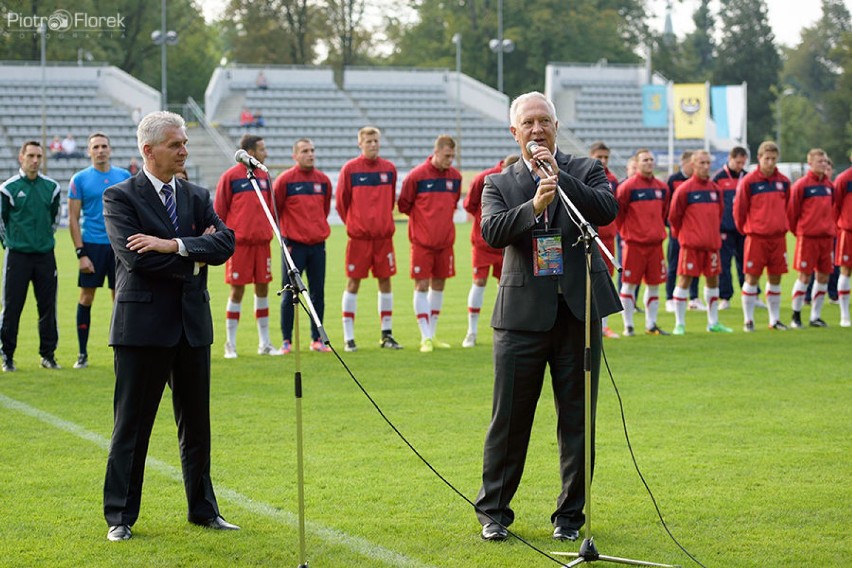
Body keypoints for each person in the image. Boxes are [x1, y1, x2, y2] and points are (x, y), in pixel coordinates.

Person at [475, 91, 621, 543]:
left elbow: (606, 209)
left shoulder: (585, 170)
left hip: (579, 313)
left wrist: (560, 180)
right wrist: (534, 205)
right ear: (514, 131)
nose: (537, 130)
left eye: (545, 121)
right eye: (528, 123)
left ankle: (570, 517)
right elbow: (492, 232)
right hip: (520, 320)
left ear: (556, 127)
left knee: (578, 419)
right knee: (510, 419)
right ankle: (494, 512)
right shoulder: (499, 182)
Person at [101, 111, 237, 542]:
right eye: (175, 144)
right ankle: (120, 516)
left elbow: (226, 243)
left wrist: (173, 244)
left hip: (192, 326)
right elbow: (136, 258)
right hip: (142, 328)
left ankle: (204, 511)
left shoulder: (196, 195)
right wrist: (193, 257)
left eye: (184, 142)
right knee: (132, 426)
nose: (184, 150)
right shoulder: (119, 197)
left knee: (197, 425)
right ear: (149, 150)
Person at [67, 132, 132, 369]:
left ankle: (122, 351)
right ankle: (82, 353)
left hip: (118, 247)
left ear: (110, 149)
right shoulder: (80, 179)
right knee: (86, 297)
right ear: (89, 151)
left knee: (121, 299)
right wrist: (80, 253)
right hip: (92, 247)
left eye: (104, 146)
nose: (100, 150)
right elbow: (73, 219)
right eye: (96, 147)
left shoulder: (123, 176)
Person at [335, 126, 402, 352]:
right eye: (368, 141)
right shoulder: (350, 170)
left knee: (385, 282)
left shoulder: (389, 169)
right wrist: (356, 224)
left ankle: (386, 334)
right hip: (359, 239)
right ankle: (349, 337)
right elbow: (342, 204)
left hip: (383, 239)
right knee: (353, 282)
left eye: (376, 141)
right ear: (360, 144)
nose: (373, 144)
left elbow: (391, 200)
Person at [214, 134, 279, 357]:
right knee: (237, 290)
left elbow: (271, 209)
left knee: (263, 289)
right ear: (250, 152)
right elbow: (220, 211)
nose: (266, 153)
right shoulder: (230, 177)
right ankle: (230, 344)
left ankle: (265, 343)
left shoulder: (265, 176)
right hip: (239, 245)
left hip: (262, 244)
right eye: (262, 149)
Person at [0, 140, 61, 372]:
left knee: (47, 307)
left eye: (39, 156)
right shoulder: (8, 189)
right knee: (12, 307)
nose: (35, 161)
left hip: (45, 256)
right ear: (21, 157)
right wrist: (11, 244)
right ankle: (7, 356)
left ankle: (48, 355)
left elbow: (54, 220)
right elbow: (1, 221)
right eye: (31, 156)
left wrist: (43, 241)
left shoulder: (52, 188)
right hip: (17, 257)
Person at [398, 135, 462, 352]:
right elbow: (404, 205)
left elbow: (452, 204)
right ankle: (424, 336)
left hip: (445, 243)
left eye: (453, 156)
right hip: (422, 243)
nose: (450, 160)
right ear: (436, 152)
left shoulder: (455, 177)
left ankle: (433, 335)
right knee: (422, 285)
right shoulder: (416, 176)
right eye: (447, 155)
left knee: (439, 285)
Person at [273, 138, 333, 353]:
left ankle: (317, 339)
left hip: (317, 246)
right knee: (290, 293)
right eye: (305, 151)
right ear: (295, 155)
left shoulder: (323, 181)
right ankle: (286, 340)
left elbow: (324, 210)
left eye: (312, 150)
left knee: (318, 293)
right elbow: (275, 211)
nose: (310, 154)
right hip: (293, 247)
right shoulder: (285, 181)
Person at [667, 150, 731, 334]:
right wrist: (686, 237)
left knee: (713, 281)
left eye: (708, 163)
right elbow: (674, 217)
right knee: (684, 280)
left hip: (711, 245)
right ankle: (679, 324)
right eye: (701, 163)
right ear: (693, 165)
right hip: (691, 245)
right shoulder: (684, 190)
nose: (705, 166)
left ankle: (713, 323)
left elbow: (718, 214)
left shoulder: (715, 190)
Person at [461, 154, 519, 348]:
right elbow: (469, 205)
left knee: (507, 285)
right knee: (479, 281)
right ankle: (471, 332)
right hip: (483, 242)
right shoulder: (484, 178)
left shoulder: (522, 178)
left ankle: (506, 329)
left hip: (508, 244)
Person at [734, 141, 791, 331]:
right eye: (767, 158)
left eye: (773, 159)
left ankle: (774, 320)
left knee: (775, 278)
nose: (770, 162)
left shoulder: (783, 181)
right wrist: (747, 230)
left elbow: (789, 207)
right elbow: (739, 210)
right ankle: (748, 320)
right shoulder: (749, 181)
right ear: (759, 158)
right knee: (752, 278)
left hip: (777, 238)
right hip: (756, 238)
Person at [615, 148, 670, 336]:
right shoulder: (627, 187)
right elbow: (619, 215)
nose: (649, 163)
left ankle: (651, 324)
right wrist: (628, 233)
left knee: (654, 284)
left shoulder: (662, 188)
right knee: (629, 284)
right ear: (637, 163)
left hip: (655, 245)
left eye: (651, 159)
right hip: (634, 245)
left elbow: (664, 213)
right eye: (645, 160)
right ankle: (628, 326)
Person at [787, 148, 835, 328]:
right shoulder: (801, 185)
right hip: (807, 238)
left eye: (825, 161)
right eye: (819, 161)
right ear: (810, 163)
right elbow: (792, 213)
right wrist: (800, 232)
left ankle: (815, 316)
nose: (823, 164)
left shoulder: (829, 186)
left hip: (826, 238)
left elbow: (833, 209)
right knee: (804, 276)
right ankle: (796, 315)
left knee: (823, 277)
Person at [712, 146, 757, 310]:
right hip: (724, 228)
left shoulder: (748, 177)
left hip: (744, 228)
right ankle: (725, 297)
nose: (740, 166)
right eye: (738, 162)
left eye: (743, 163)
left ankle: (752, 294)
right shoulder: (718, 178)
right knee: (724, 264)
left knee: (747, 263)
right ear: (730, 159)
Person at [589, 141, 620, 338]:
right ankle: (588, 325)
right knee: (587, 280)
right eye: (599, 157)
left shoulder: (613, 179)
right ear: (591, 156)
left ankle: (603, 326)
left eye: (605, 157)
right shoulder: (584, 174)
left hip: (608, 237)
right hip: (590, 236)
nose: (602, 161)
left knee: (606, 280)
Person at [665, 151, 702, 312]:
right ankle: (669, 298)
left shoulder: (700, 183)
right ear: (686, 164)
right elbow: (670, 209)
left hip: (694, 233)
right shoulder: (674, 180)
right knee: (674, 266)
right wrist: (674, 229)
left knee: (695, 267)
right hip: (678, 232)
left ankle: (694, 298)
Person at [833, 151, 852, 327]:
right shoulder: (844, 179)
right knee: (846, 271)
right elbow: (835, 206)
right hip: (848, 232)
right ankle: (844, 315)